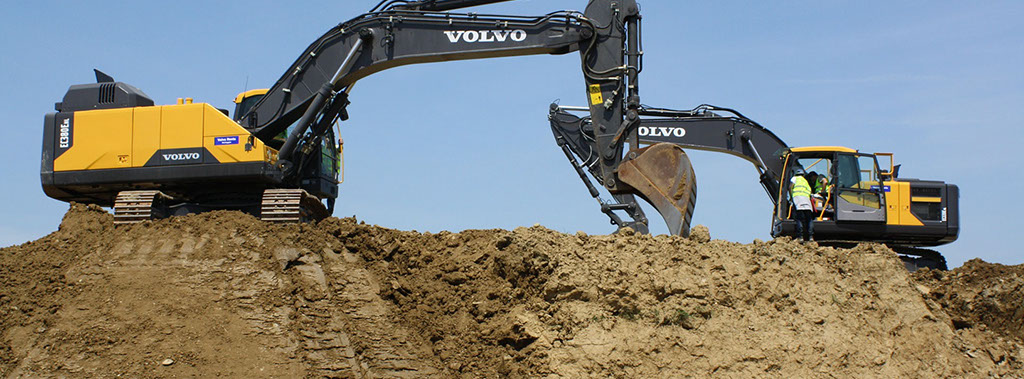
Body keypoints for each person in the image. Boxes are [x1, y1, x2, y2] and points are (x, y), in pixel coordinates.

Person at [790, 167, 814, 242]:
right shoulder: (805, 181)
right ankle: (811, 237)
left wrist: (791, 197)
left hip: (798, 200)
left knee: (799, 218)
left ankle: (800, 237)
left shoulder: (795, 178)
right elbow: (809, 191)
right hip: (807, 201)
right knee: (809, 219)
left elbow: (790, 187)